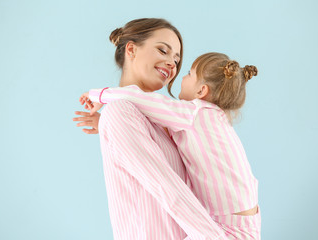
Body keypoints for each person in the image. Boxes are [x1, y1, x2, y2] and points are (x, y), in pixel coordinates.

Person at [73, 18, 228, 240]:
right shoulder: (119, 113)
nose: (172, 64)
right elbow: (169, 191)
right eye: (163, 51)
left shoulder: (159, 121)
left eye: (176, 60)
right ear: (131, 49)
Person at [81, 52, 261, 239]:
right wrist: (105, 124)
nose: (182, 76)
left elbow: (142, 99)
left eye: (190, 74)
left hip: (224, 228)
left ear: (202, 91)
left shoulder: (195, 113)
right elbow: (154, 134)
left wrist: (99, 95)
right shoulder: (214, 121)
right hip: (247, 225)